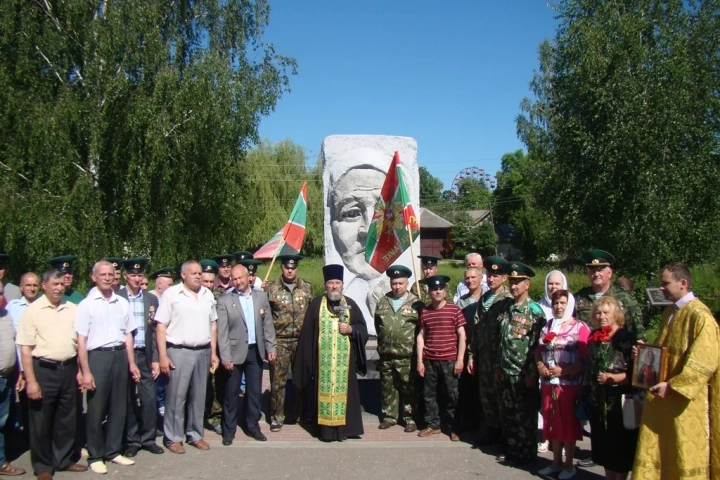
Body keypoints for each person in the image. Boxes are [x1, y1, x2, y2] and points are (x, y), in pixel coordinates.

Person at [633, 262, 720, 480]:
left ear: (683, 283)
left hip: (685, 403)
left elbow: (705, 360)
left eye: (665, 283)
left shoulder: (700, 316)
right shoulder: (669, 312)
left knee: (682, 454)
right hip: (662, 399)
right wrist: (643, 355)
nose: (660, 288)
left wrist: (673, 386)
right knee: (662, 452)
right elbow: (663, 352)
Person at [16, 269, 88, 479]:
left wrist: (82, 371)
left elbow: (80, 342)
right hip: (43, 370)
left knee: (67, 419)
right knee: (41, 421)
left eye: (61, 284)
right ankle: (43, 466)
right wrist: (31, 381)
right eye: (54, 284)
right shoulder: (33, 310)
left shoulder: (72, 308)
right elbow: (26, 349)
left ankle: (64, 459)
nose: (58, 288)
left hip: (68, 369)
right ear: (44, 286)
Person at [76, 260, 140, 473]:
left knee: (118, 407)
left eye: (110, 274)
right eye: (102, 274)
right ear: (93, 277)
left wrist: (131, 363)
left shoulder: (121, 303)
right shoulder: (87, 304)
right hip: (98, 358)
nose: (107, 277)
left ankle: (113, 450)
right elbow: (81, 340)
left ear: (116, 276)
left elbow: (128, 334)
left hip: (119, 356)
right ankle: (95, 455)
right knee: (96, 408)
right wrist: (85, 371)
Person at [292, 264, 368, 442]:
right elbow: (307, 337)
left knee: (346, 396)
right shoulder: (316, 305)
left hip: (344, 366)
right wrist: (306, 366)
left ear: (342, 285)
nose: (334, 286)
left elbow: (362, 328)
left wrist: (351, 329)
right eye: (331, 283)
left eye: (338, 283)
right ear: (326, 285)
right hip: (323, 366)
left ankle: (346, 430)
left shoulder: (350, 305)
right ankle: (325, 431)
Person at [155, 260, 219, 454]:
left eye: (200, 273)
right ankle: (173, 437)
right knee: (176, 396)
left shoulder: (207, 295)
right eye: (194, 273)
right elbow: (160, 327)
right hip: (178, 350)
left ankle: (195, 434)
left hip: (202, 351)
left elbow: (213, 325)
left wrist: (213, 352)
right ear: (183, 275)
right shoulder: (172, 295)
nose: (198, 276)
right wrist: (162, 356)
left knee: (199, 396)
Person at [491, 262, 546, 465]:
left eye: (518, 282)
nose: (514, 286)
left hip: (523, 372)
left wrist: (532, 372)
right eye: (512, 281)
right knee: (509, 414)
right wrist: (498, 365)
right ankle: (513, 449)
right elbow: (501, 340)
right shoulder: (506, 308)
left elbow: (536, 346)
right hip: (505, 370)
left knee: (526, 416)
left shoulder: (534, 311)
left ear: (527, 284)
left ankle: (527, 453)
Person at [216, 264, 276, 444]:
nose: (237, 281)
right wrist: (225, 356)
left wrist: (271, 347)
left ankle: (252, 426)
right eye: (234, 279)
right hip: (234, 354)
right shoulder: (225, 300)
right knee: (231, 393)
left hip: (255, 351)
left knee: (254, 392)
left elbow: (267, 324)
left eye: (240, 278)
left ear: (248, 277)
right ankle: (229, 430)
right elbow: (222, 332)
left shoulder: (260, 297)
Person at [536, 290, 589, 479]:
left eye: (563, 303)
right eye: (556, 303)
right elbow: (538, 350)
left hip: (569, 385)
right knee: (551, 424)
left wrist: (564, 371)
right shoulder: (548, 326)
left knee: (567, 425)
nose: (559, 306)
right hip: (549, 384)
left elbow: (585, 359)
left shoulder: (579, 328)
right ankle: (555, 462)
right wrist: (540, 365)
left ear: (570, 305)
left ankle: (569, 465)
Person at [585, 296, 637, 480]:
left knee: (619, 447)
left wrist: (614, 377)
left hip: (618, 403)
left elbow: (635, 373)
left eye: (606, 312)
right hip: (598, 401)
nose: (601, 316)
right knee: (603, 446)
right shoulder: (594, 336)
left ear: (616, 314)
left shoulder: (625, 338)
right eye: (598, 313)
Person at [116, 259, 164, 457]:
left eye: (140, 275)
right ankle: (132, 440)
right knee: (127, 399)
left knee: (149, 398)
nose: (137, 278)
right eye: (133, 275)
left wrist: (155, 358)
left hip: (144, 353)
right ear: (125, 276)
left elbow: (153, 331)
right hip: (123, 354)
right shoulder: (117, 297)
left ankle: (148, 438)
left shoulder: (151, 299)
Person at [263, 254, 313, 432]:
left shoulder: (306, 287)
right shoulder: (271, 288)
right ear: (281, 268)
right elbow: (266, 317)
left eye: (293, 267)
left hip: (301, 341)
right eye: (286, 267)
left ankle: (300, 414)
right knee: (278, 381)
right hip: (280, 341)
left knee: (301, 379)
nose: (290, 270)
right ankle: (277, 416)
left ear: (297, 268)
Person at [468, 256, 513, 446]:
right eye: (489, 275)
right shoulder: (484, 298)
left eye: (496, 275)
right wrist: (472, 354)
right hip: (483, 355)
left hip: (499, 358)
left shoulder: (508, 299)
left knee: (501, 397)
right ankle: (492, 430)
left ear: (504, 278)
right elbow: (477, 328)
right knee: (486, 395)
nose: (491, 279)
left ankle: (505, 435)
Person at [416, 274, 466, 441]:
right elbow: (421, 336)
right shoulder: (425, 312)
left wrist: (460, 359)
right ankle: (433, 424)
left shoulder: (454, 309)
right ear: (429, 292)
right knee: (430, 394)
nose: (437, 292)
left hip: (449, 359)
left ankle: (455, 427)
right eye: (433, 289)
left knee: (453, 395)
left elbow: (462, 335)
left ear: (445, 291)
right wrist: (419, 361)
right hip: (430, 359)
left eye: (440, 289)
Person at [374, 265, 423, 432]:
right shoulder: (383, 301)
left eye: (400, 283)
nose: (397, 287)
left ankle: (410, 418)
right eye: (394, 283)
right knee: (388, 387)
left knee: (408, 387)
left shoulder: (416, 302)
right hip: (387, 354)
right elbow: (378, 325)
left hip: (407, 355)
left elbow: (421, 329)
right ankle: (389, 416)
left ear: (407, 283)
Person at [574, 250, 644, 339]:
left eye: (600, 270)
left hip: (618, 349)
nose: (596, 274)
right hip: (588, 349)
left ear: (610, 273)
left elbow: (638, 331)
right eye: (592, 270)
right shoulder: (578, 298)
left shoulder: (626, 298)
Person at [0, 283, 26, 476]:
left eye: (1, 292)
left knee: (2, 421)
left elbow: (15, 345)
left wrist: (19, 373)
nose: (1, 296)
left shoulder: (5, 314)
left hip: (7, 376)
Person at [454, 267, 484, 432]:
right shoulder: (461, 302)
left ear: (480, 278)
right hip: (466, 349)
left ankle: (483, 422)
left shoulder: (487, 299)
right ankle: (468, 422)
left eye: (473, 277)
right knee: (467, 388)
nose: (470, 280)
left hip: (482, 350)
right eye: (467, 278)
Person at [198, 260, 224, 435]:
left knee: (214, 385)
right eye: (204, 281)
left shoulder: (221, 296)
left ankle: (215, 417)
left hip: (216, 346)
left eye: (210, 282)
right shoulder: (193, 295)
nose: (208, 285)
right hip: (197, 345)